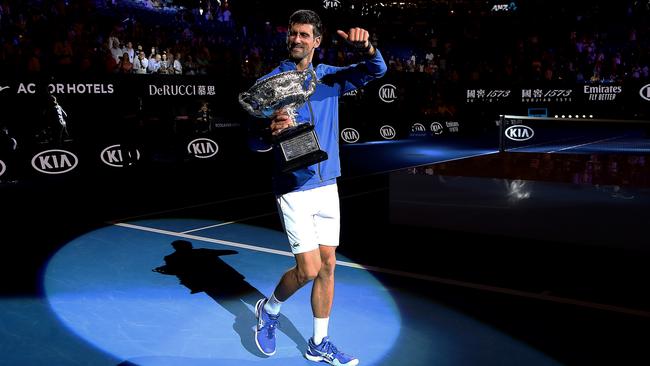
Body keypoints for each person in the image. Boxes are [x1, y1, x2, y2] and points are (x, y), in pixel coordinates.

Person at [253, 9, 387, 366]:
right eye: (292, 33)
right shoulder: (271, 83)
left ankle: (318, 343)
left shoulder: (329, 78)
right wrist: (267, 131)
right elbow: (253, 141)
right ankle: (270, 308)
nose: (296, 39)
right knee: (308, 269)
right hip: (293, 186)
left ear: (317, 40)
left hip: (328, 183)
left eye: (303, 34)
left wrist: (368, 47)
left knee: (328, 266)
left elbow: (377, 71)